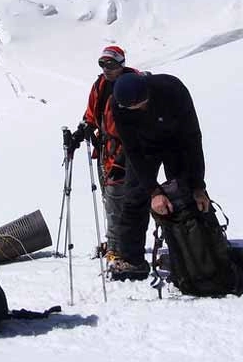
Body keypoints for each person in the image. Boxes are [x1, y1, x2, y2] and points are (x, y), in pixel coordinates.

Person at [109, 72, 209, 280]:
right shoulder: (118, 106)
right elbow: (132, 150)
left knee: (185, 197)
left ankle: (193, 256)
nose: (142, 110)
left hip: (177, 143)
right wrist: (154, 192)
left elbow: (193, 138)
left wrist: (198, 185)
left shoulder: (172, 89)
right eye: (136, 109)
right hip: (144, 148)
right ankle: (132, 260)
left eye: (144, 104)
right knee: (134, 198)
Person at [72, 45, 141, 274]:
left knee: (117, 199)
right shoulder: (100, 86)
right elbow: (91, 114)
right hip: (106, 150)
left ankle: (116, 248)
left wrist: (123, 157)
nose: (106, 69)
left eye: (110, 64)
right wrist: (80, 134)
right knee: (111, 199)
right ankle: (119, 242)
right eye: (102, 64)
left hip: (129, 152)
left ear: (121, 63)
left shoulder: (134, 85)